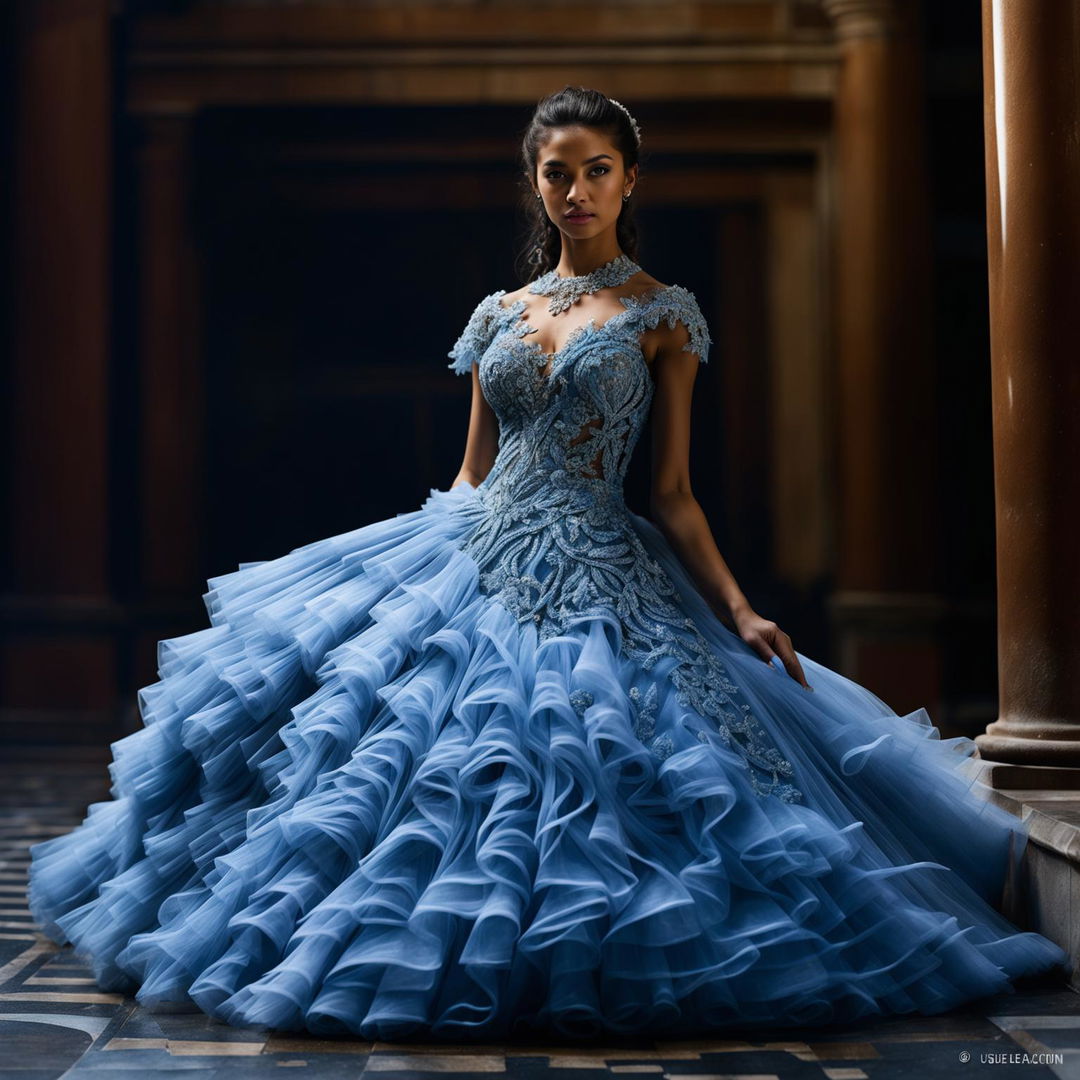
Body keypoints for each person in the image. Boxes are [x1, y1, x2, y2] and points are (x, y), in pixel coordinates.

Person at [27, 85, 1068, 1042]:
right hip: (473, 549)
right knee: (389, 761)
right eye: (557, 172)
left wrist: (741, 610)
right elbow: (472, 473)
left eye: (597, 169)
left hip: (604, 561)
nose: (576, 190)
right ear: (535, 181)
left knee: (608, 772)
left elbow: (669, 493)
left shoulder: (663, 315)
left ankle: (577, 958)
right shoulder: (498, 313)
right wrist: (410, 569)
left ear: (629, 179)